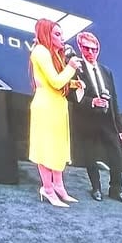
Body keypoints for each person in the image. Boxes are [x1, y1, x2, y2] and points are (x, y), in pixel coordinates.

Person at [69, 32, 122, 206]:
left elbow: (114, 102)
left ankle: (116, 190)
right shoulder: (75, 68)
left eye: (94, 49)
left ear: (98, 49)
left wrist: (121, 129)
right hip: (86, 121)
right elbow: (71, 96)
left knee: (116, 155)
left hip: (107, 121)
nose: (91, 52)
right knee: (90, 156)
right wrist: (92, 102)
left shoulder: (106, 71)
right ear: (80, 48)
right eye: (86, 48)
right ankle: (96, 188)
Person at [28, 20, 82, 208]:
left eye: (62, 34)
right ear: (46, 34)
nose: (62, 38)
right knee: (46, 147)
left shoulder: (53, 54)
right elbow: (55, 82)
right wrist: (71, 67)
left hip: (57, 104)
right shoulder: (40, 52)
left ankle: (59, 187)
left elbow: (57, 82)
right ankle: (48, 189)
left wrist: (74, 83)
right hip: (46, 105)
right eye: (57, 34)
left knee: (58, 147)